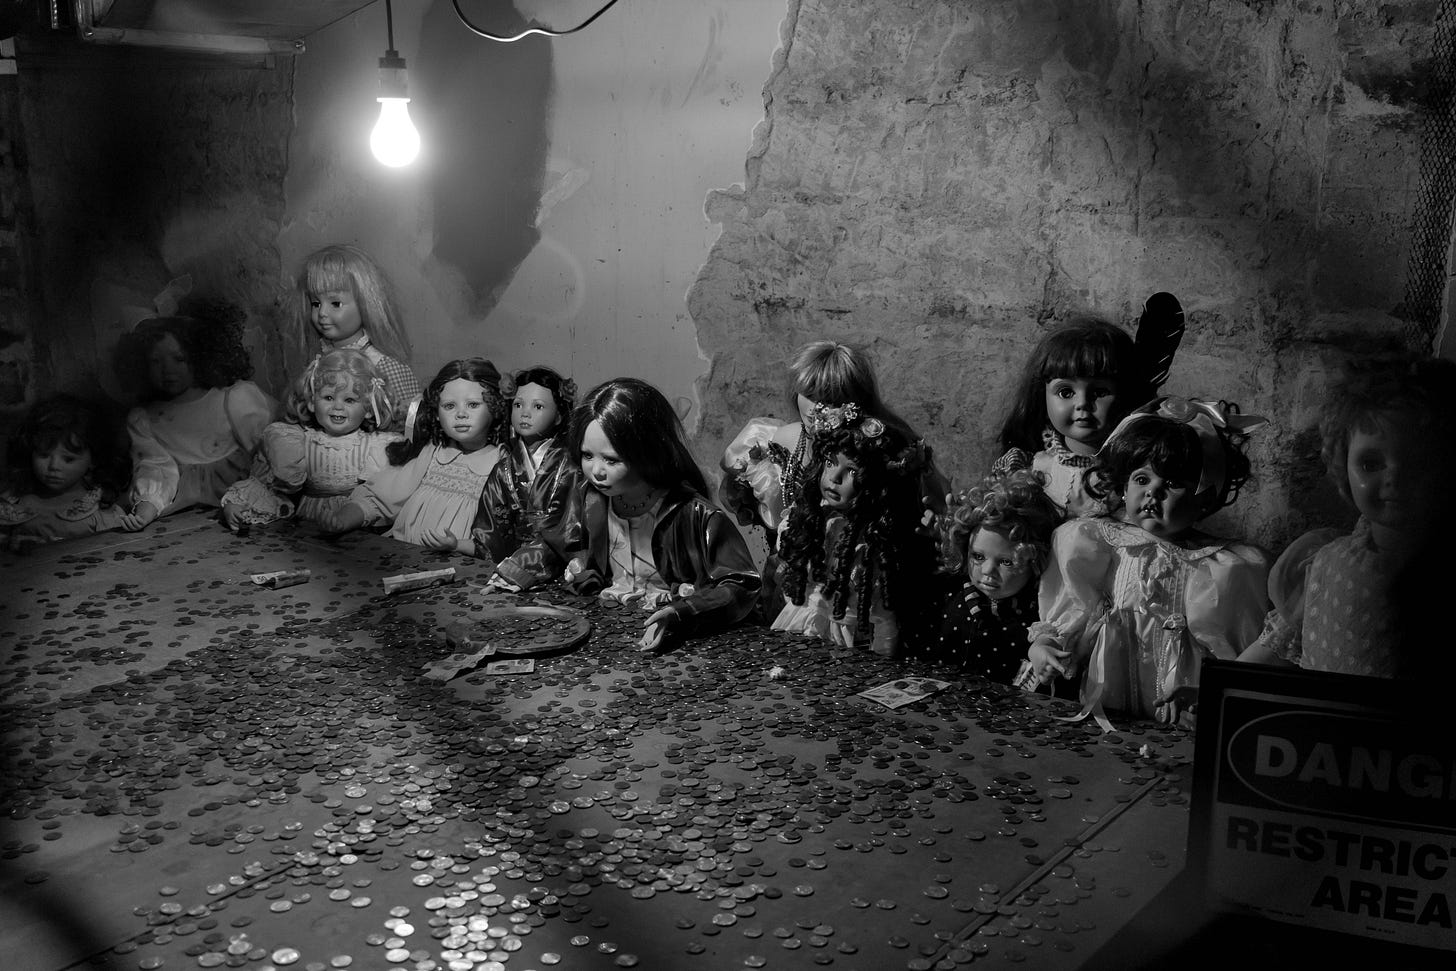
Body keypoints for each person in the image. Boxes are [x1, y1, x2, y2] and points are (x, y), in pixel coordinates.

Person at [1026, 396, 1270, 726]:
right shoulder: (1100, 542)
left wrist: (1210, 694)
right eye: (1142, 479)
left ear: (1205, 498)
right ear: (1123, 487)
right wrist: (1044, 645)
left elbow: (1229, 646)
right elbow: (1075, 608)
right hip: (1109, 700)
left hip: (1178, 703)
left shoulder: (1223, 566)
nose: (1153, 493)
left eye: (1172, 484)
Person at [490, 378, 760, 652]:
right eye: (587, 455)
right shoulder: (591, 499)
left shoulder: (694, 514)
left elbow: (741, 583)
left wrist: (683, 611)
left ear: (648, 452)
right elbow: (557, 542)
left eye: (611, 459)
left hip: (678, 635)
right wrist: (516, 572)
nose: (596, 471)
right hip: (606, 624)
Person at [1240, 355, 1456, 679]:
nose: (1394, 478)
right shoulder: (1325, 563)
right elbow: (1275, 642)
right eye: (1370, 464)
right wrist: (1210, 688)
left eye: (1418, 461)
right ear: (1344, 466)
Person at [995, 295, 1184, 519]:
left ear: (1126, 395)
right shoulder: (1029, 469)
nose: (1082, 403)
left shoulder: (1136, 474)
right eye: (1066, 392)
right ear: (1042, 394)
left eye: (1100, 392)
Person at [773, 403, 937, 657]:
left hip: (849, 642)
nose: (834, 478)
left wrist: (881, 664)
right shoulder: (812, 518)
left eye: (851, 471)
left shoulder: (873, 543)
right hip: (801, 625)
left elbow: (884, 619)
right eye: (830, 462)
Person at [117, 305, 278, 529]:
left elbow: (269, 452)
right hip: (182, 512)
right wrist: (145, 510)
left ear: (200, 358)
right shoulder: (145, 419)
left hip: (243, 500)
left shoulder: (232, 398)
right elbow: (154, 468)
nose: (167, 369)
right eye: (156, 361)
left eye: (179, 359)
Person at [319, 358, 505, 553]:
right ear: (436, 413)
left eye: (473, 405)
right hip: (408, 556)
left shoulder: (501, 464)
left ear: (495, 407)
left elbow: (501, 536)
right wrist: (341, 520)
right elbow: (378, 500)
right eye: (449, 406)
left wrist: (459, 545)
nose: (461, 414)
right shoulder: (432, 454)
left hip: (462, 563)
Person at [219, 349, 402, 529]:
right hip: (308, 527)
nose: (337, 406)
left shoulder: (376, 447)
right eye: (328, 397)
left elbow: (382, 497)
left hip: (358, 527)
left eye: (349, 400)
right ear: (312, 402)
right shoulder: (297, 442)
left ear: (369, 408)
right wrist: (238, 504)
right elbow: (271, 488)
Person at [930, 468, 1060, 681]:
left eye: (1007, 561)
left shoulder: (1039, 614)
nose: (987, 570)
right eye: (978, 556)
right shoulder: (955, 596)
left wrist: (1044, 649)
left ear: (1034, 560)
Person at [292, 244, 421, 430]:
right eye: (316, 303)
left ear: (365, 304)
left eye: (335, 303)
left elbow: (411, 424)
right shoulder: (318, 362)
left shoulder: (384, 366)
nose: (322, 313)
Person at [470, 365, 580, 567]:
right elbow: (490, 531)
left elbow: (573, 528)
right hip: (513, 563)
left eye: (538, 406)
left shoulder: (571, 468)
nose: (525, 413)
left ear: (558, 415)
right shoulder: (503, 470)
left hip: (558, 564)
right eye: (518, 405)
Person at [0, 394, 132, 552]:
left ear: (94, 459)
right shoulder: (12, 503)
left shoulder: (102, 510)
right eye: (43, 455)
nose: (53, 466)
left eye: (68, 459)